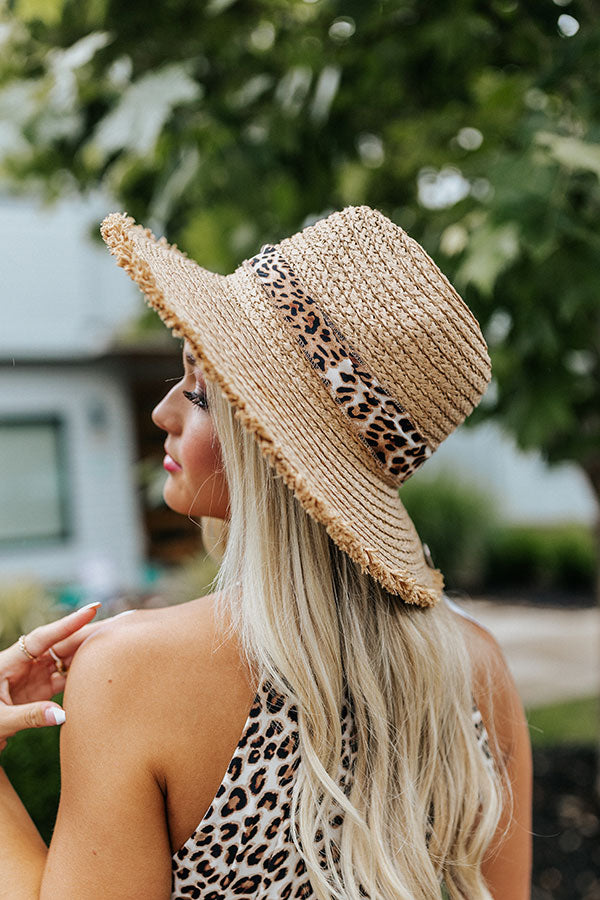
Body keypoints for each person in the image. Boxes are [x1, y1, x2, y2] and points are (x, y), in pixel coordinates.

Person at [0, 205, 532, 899]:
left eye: (196, 394)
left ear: (263, 451)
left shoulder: (131, 672)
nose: (163, 412)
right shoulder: (476, 669)